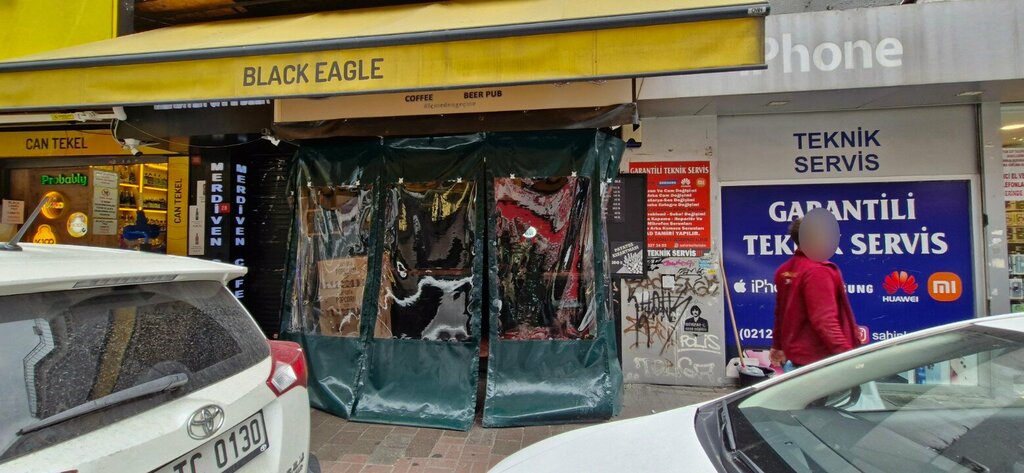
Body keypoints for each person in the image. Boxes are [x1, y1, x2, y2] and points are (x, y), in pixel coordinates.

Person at [770, 214, 862, 371]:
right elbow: (825, 320)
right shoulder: (818, 271)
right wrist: (848, 356)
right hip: (822, 365)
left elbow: (781, 314)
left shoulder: (785, 270)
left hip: (799, 362)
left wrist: (778, 345)